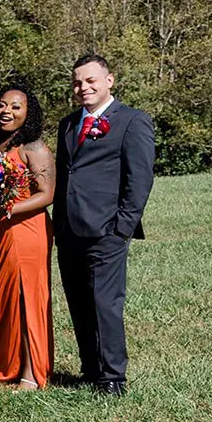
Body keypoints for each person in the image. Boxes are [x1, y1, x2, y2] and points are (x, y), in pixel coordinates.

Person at [53, 53, 156, 395]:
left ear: (109, 80)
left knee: (105, 304)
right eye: (78, 82)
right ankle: (90, 368)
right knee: (79, 302)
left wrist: (121, 228)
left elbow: (139, 179)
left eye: (91, 80)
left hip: (107, 231)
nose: (83, 87)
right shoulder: (68, 124)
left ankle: (113, 377)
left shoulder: (132, 121)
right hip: (69, 232)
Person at [0, 84, 56, 390]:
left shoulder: (34, 148)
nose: (6, 111)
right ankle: (4, 363)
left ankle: (32, 372)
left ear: (28, 113)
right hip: (0, 232)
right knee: (5, 295)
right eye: (2, 105)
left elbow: (47, 195)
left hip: (27, 231)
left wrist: (7, 209)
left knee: (26, 297)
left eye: (16, 107)